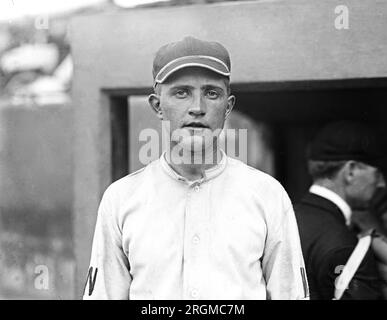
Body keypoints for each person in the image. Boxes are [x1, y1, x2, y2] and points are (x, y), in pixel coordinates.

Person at [83, 36, 308, 300]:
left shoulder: (267, 194)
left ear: (228, 107)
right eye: (182, 92)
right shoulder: (121, 198)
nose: (197, 108)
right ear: (157, 106)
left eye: (212, 93)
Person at [295, 120, 386, 299]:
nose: (381, 183)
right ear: (351, 171)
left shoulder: (284, 218)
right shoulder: (346, 245)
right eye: (377, 173)